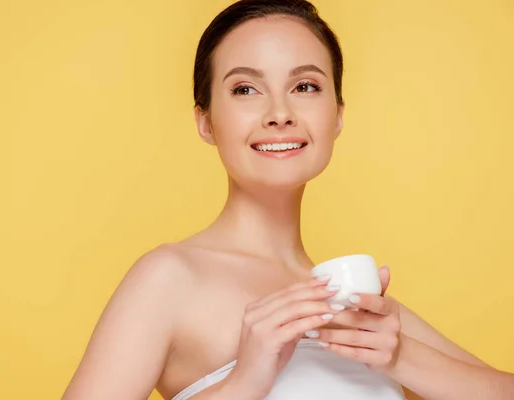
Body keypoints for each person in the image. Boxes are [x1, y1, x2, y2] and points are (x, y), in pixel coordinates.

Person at [62, 1, 514, 399]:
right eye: (245, 89)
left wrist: (401, 358)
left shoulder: (356, 301)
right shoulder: (168, 279)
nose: (280, 114)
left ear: (337, 115)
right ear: (205, 121)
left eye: (305, 86)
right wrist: (242, 385)